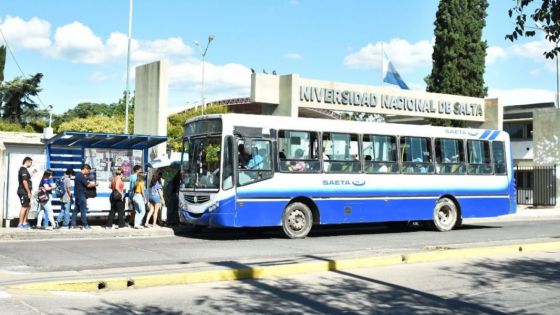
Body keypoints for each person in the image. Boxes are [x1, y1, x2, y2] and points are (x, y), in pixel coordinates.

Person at [71, 164, 97, 229]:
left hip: (77, 194)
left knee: (76, 210)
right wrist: (95, 184)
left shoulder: (77, 175)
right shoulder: (81, 175)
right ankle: (85, 225)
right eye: (88, 171)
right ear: (85, 169)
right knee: (83, 210)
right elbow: (88, 185)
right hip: (81, 195)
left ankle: (73, 224)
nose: (88, 173)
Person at [17, 157, 34, 229]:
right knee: (24, 206)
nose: (31, 164)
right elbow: (24, 181)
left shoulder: (25, 170)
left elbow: (27, 178)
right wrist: (28, 192)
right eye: (31, 162)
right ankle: (20, 224)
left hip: (25, 191)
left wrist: (33, 173)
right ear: (27, 162)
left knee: (28, 206)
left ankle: (24, 222)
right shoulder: (23, 170)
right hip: (23, 191)